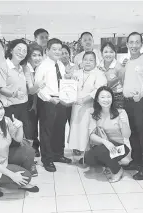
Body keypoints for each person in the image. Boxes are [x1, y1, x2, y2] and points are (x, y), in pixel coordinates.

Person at [0, 97, 39, 198]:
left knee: (29, 151)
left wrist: (20, 126)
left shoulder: (6, 121)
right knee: (26, 177)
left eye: (1, 108)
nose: (0, 112)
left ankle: (17, 181)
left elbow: (18, 139)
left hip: (3, 158)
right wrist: (13, 176)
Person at [122, 32, 143, 180]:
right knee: (134, 133)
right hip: (128, 102)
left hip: (142, 102)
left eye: (137, 42)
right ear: (127, 45)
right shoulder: (128, 62)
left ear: (141, 44)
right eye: (131, 42)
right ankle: (136, 161)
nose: (134, 45)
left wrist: (141, 94)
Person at [34, 38, 72, 172]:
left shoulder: (60, 65)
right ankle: (47, 159)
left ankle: (58, 154)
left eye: (59, 49)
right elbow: (38, 87)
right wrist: (49, 99)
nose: (57, 52)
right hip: (47, 102)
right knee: (47, 131)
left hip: (60, 100)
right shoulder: (42, 66)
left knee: (60, 128)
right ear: (47, 50)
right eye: (54, 49)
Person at [81, 86, 131, 182]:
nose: (106, 100)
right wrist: (105, 142)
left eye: (109, 97)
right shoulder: (94, 113)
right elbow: (91, 135)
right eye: (102, 97)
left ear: (112, 98)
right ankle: (109, 164)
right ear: (97, 100)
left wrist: (124, 123)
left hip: (122, 148)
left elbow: (127, 135)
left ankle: (117, 170)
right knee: (89, 158)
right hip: (104, 146)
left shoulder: (120, 112)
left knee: (102, 152)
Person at [68, 51, 107, 155]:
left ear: (95, 62)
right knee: (76, 126)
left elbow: (98, 90)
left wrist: (85, 99)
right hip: (76, 106)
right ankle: (76, 147)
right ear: (82, 61)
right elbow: (69, 87)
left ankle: (88, 150)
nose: (88, 62)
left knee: (88, 127)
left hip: (90, 106)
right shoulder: (76, 73)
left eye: (91, 60)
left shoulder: (99, 74)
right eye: (85, 60)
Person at [23, 43, 45, 157]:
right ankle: (31, 149)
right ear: (28, 56)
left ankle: (37, 147)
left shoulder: (41, 67)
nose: (37, 58)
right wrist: (41, 84)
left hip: (40, 99)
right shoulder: (26, 68)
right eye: (34, 55)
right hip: (29, 100)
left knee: (38, 124)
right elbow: (31, 90)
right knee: (30, 126)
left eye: (40, 55)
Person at [98, 42, 125, 109]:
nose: (108, 54)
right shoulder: (98, 67)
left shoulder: (119, 67)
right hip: (103, 96)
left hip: (117, 97)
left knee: (117, 117)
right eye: (106, 52)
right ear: (102, 54)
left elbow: (123, 83)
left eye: (111, 52)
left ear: (115, 53)